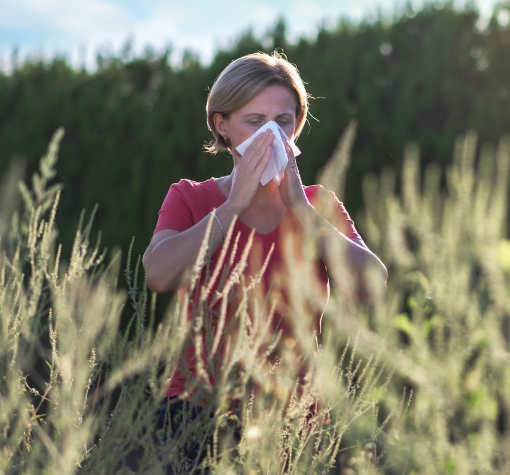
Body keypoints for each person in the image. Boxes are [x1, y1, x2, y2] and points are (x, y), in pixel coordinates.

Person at [143, 51, 387, 413]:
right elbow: (159, 275)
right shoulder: (191, 197)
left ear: (297, 125)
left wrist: (302, 210)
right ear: (223, 125)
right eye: (255, 121)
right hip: (197, 413)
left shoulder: (318, 204)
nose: (270, 134)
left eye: (282, 121)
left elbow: (372, 286)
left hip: (292, 419)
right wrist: (232, 207)